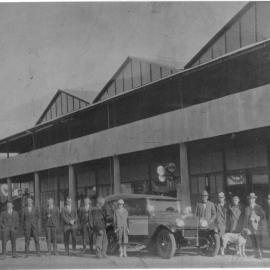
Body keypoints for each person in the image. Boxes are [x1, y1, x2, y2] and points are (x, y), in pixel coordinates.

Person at [244, 193, 265, 259]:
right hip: (250, 228)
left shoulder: (258, 207)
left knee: (258, 241)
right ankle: (255, 254)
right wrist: (245, 227)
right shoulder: (247, 208)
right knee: (253, 241)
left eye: (253, 198)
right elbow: (245, 219)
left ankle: (261, 254)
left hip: (257, 227)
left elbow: (262, 216)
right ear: (248, 199)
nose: (251, 200)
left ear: (255, 199)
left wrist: (256, 219)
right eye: (250, 198)